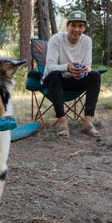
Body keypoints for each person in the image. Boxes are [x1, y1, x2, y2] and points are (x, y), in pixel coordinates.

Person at [43, 10, 101, 138]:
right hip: (56, 82)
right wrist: (67, 67)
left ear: (84, 28)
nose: (76, 29)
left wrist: (85, 69)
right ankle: (63, 123)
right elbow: (49, 67)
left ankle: (87, 123)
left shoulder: (87, 41)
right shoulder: (56, 39)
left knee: (95, 76)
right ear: (67, 25)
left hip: (75, 81)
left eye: (80, 26)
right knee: (54, 74)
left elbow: (88, 65)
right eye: (73, 25)